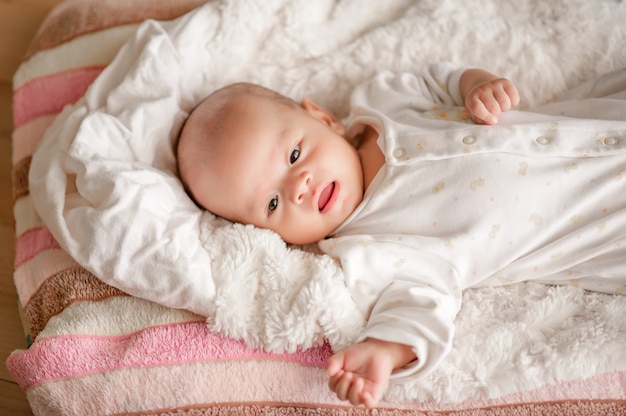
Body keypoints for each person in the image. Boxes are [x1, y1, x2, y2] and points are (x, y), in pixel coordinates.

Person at [176, 62, 626, 407]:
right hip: (599, 226)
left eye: (294, 154)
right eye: (272, 204)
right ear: (276, 237)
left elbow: (440, 79)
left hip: (598, 121)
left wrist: (475, 86)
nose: (300, 186)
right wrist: (384, 353)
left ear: (324, 118)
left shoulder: (382, 102)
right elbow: (419, 303)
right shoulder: (369, 251)